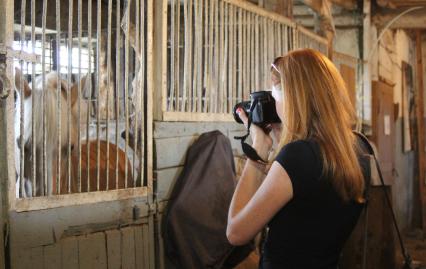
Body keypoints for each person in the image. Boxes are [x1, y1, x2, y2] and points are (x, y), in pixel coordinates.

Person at [226, 49, 369, 269]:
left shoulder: (297, 157)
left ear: (294, 99)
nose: (274, 105)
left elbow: (236, 233)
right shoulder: (357, 150)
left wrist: (258, 149)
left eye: (275, 96)